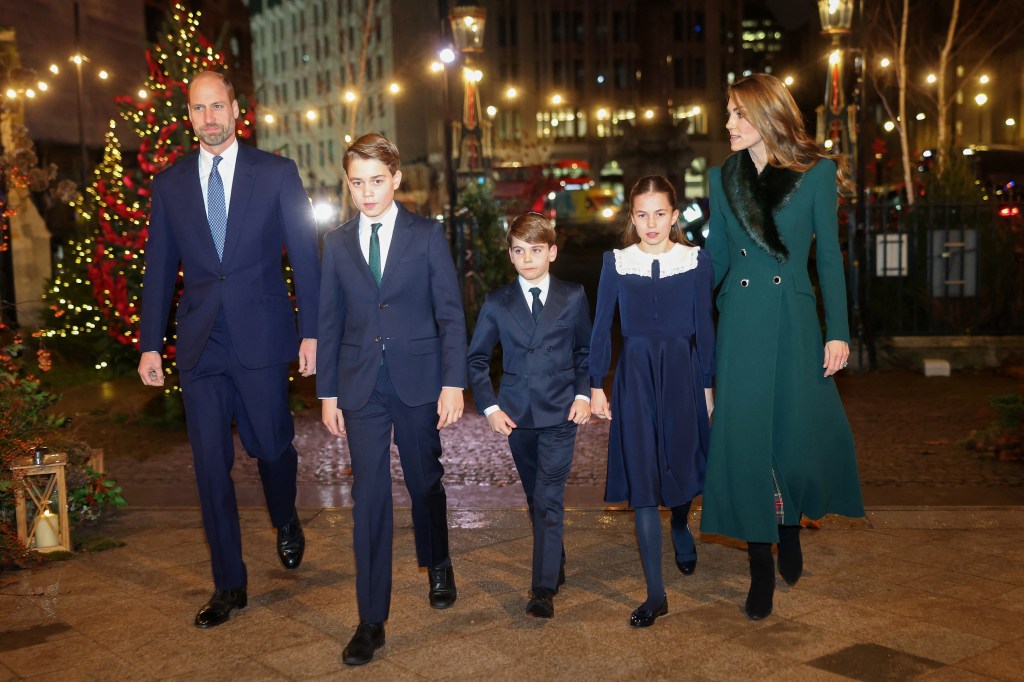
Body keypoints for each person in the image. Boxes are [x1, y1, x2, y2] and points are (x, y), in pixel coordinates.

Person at [138, 70, 320, 628]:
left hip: (261, 336)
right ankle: (229, 585)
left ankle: (285, 516)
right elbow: (159, 269)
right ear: (189, 115)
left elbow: (307, 258)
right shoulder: (169, 186)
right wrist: (150, 344)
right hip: (200, 345)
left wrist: (311, 331)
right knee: (210, 468)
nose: (209, 118)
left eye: (218, 106)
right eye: (199, 109)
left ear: (236, 109)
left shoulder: (276, 173)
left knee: (271, 447)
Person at [699, 73, 865, 621]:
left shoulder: (817, 174)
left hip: (795, 319)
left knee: (793, 433)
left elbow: (829, 259)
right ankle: (759, 568)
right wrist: (688, 307)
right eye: (728, 113)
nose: (727, 124)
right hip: (742, 321)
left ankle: (789, 527)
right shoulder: (723, 177)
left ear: (765, 116)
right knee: (745, 440)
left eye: (737, 114)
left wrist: (837, 329)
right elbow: (718, 259)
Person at [317, 133, 467, 666]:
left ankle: (439, 560)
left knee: (426, 480)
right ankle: (370, 620)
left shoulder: (426, 236)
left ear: (396, 179)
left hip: (419, 380)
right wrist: (328, 392)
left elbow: (450, 313)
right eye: (357, 182)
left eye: (376, 181)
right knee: (370, 499)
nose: (367, 192)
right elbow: (329, 321)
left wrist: (454, 382)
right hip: (361, 388)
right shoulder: (336, 243)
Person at [590, 176, 715, 628]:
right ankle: (655, 594)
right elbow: (601, 324)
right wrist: (594, 384)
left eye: (659, 213)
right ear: (631, 218)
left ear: (675, 215)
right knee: (643, 476)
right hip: (635, 378)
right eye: (641, 214)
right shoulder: (617, 263)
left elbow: (705, 328)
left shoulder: (697, 262)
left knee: (681, 466)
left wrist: (707, 387)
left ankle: (680, 524)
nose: (651, 223)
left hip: (683, 376)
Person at [467, 212, 592, 619]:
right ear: (510, 255)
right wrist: (489, 407)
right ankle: (553, 557)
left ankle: (542, 589)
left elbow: (585, 351)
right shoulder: (497, 302)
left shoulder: (572, 296)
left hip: (561, 414)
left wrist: (583, 394)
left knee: (549, 498)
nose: (528, 259)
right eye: (519, 251)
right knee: (534, 497)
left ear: (552, 252)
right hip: (517, 416)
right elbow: (478, 359)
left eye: (536, 250)